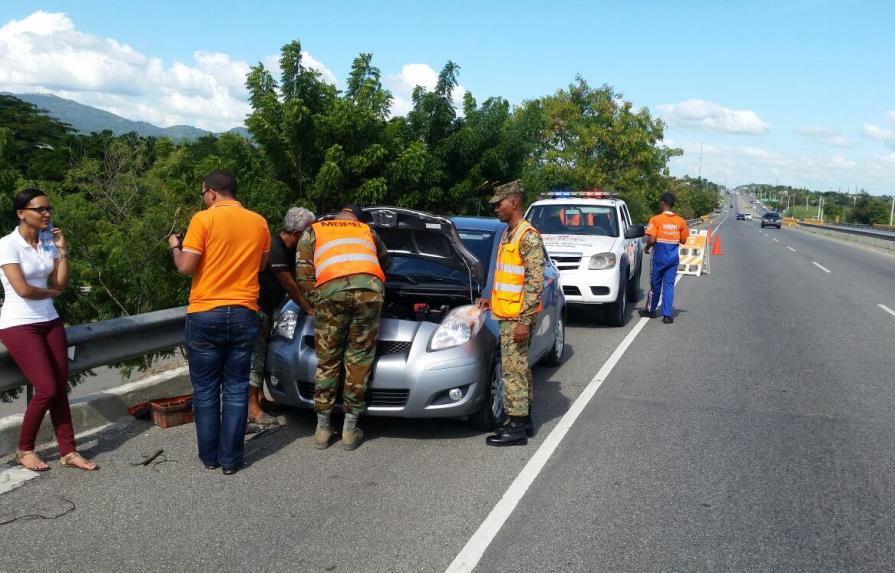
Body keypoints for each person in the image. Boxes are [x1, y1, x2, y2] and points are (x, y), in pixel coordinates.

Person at [168, 170, 270, 475]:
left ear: (211, 193)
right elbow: (261, 265)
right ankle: (231, 460)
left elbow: (186, 267)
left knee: (206, 389)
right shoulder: (259, 222)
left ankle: (209, 457)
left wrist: (175, 245)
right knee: (237, 388)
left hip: (206, 311)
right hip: (243, 311)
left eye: (203, 194)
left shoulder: (204, 219)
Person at [0, 189, 97, 471]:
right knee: (46, 387)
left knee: (59, 389)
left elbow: (61, 282)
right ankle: (25, 448)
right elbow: (22, 289)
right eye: (39, 209)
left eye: (48, 208)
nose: (46, 213)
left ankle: (68, 451)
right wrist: (51, 292)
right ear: (21, 214)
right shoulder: (7, 245)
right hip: (19, 323)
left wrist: (62, 249)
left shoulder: (46, 241)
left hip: (49, 321)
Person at [296, 204, 389, 451]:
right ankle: (350, 430)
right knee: (359, 358)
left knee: (328, 360)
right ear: (355, 219)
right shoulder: (366, 230)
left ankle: (323, 429)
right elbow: (385, 260)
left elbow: (303, 273)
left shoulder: (314, 230)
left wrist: (318, 301)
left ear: (335, 216)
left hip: (331, 294)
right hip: (369, 293)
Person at [476, 180, 545, 447]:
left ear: (514, 203)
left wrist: (524, 321)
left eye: (499, 203)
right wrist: (489, 300)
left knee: (513, 371)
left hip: (518, 317)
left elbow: (534, 281)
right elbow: (507, 277)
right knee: (518, 368)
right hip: (507, 313)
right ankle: (523, 420)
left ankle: (515, 426)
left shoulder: (527, 236)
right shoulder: (508, 233)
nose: (495, 208)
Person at [248, 207, 316, 426]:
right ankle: (253, 410)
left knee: (262, 354)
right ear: (299, 232)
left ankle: (260, 398)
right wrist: (309, 309)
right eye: (310, 231)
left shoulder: (290, 250)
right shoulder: (276, 248)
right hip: (255, 308)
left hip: (265, 309)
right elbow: (291, 285)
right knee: (255, 358)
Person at [639, 191, 689, 324]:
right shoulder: (681, 221)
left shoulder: (656, 219)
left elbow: (651, 238)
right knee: (669, 286)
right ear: (672, 205)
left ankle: (650, 310)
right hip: (672, 258)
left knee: (655, 285)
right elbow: (683, 240)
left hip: (658, 257)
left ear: (662, 203)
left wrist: (647, 247)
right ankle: (667, 316)